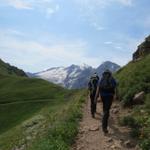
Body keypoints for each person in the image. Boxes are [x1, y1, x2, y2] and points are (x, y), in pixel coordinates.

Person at [95, 69, 117, 134]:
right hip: (110, 96)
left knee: (105, 108)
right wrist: (116, 95)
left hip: (103, 96)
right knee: (107, 110)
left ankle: (105, 117)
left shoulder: (101, 79)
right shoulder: (112, 79)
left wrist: (96, 97)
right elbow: (115, 87)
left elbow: (98, 89)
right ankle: (104, 126)